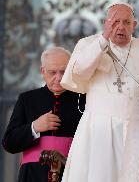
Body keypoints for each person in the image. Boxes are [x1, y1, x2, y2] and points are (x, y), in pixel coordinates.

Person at [60, 2, 139, 182]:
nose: (121, 27)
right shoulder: (88, 44)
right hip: (99, 131)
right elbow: (79, 73)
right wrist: (102, 40)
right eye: (115, 22)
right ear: (105, 23)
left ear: (135, 25)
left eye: (126, 22)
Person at [2, 47, 85, 182]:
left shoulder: (83, 100)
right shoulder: (27, 99)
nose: (58, 78)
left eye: (63, 72)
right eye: (52, 72)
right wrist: (34, 127)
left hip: (72, 173)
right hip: (32, 175)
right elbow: (9, 143)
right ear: (42, 71)